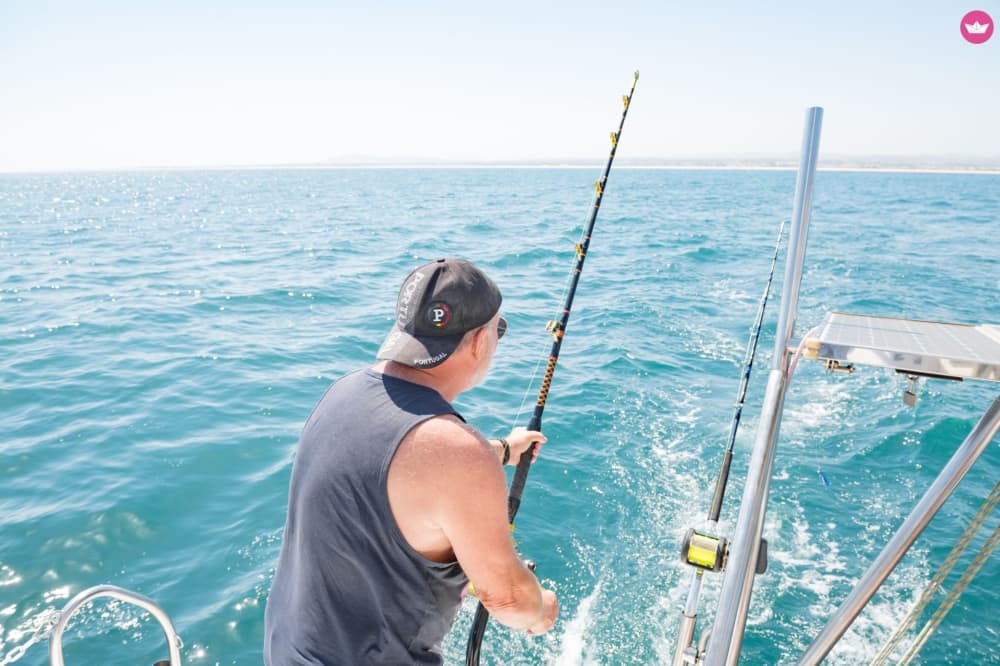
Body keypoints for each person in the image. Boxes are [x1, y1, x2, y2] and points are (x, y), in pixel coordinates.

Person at [264, 258, 559, 665]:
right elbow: (506, 598)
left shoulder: (342, 393)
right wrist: (542, 609)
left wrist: (505, 449)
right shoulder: (457, 454)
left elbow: (401, 464)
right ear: (478, 342)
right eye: (499, 330)